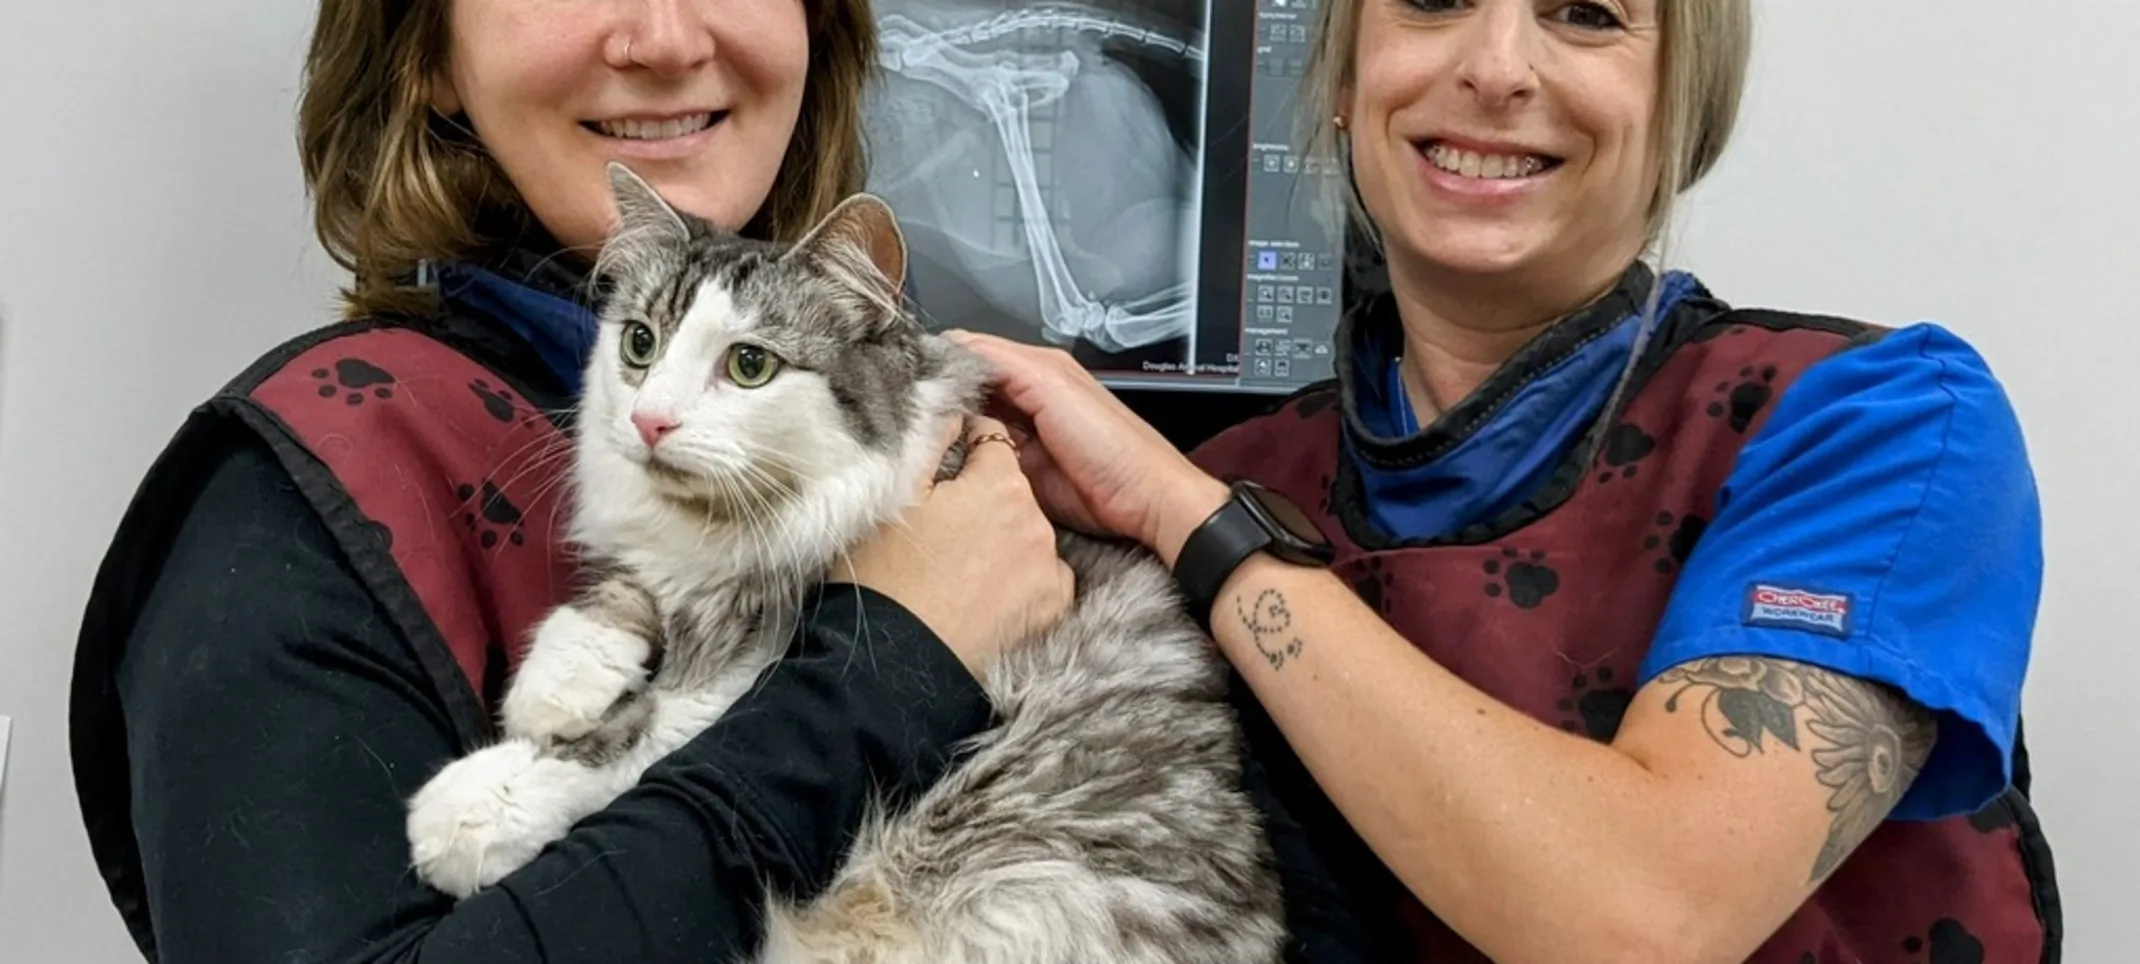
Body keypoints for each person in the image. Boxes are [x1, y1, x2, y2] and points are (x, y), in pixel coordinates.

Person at [65, 2, 1365, 962]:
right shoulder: (291, 503)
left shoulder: (921, 424)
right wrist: (892, 660)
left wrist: (1188, 526)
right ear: (422, 52)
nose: (666, 33)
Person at [951, 0, 2062, 962]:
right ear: (1343, 80)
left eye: (1584, 11)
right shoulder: (1232, 476)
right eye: (1430, 0)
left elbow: (1644, 919)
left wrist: (1195, 524)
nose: (1493, 68)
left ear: (1686, 102)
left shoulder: (1875, 425)